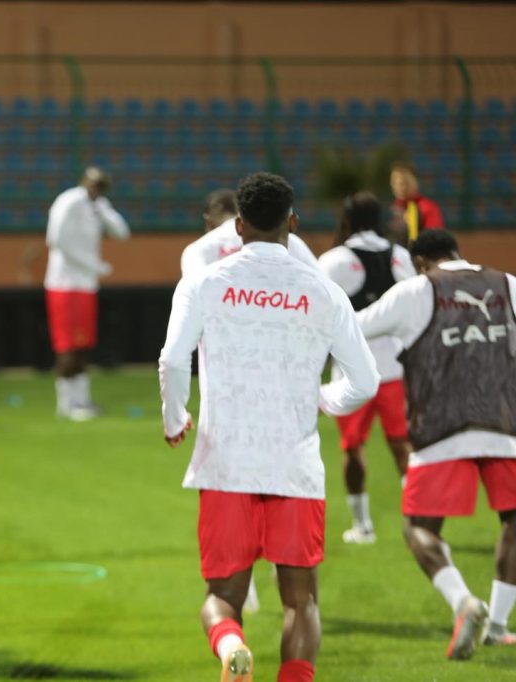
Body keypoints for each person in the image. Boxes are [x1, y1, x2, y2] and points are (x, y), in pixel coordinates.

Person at [159, 172, 379, 682]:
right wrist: (324, 398)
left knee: (221, 599)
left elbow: (173, 360)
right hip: (294, 465)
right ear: (293, 222)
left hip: (226, 463)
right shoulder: (322, 291)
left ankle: (232, 646)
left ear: (238, 225)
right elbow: (365, 381)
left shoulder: (205, 282)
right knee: (301, 604)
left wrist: (176, 419)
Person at [356, 230, 516, 658]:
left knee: (420, 529)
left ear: (420, 261)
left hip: (441, 429)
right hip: (507, 425)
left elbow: (352, 329)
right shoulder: (508, 284)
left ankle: (462, 600)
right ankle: (498, 624)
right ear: (458, 254)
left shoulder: (413, 290)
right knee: (514, 520)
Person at [317, 191, 416, 544]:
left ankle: (363, 526)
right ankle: (418, 522)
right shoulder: (401, 257)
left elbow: (319, 314)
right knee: (402, 445)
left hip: (350, 374)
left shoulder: (333, 260)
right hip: (396, 370)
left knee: (353, 448)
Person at [44, 166, 130, 421]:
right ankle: (66, 405)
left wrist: (104, 210)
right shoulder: (69, 201)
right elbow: (56, 240)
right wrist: (92, 265)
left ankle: (81, 400)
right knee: (68, 344)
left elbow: (122, 233)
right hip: (65, 284)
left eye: (101, 187)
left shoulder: (97, 206)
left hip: (86, 285)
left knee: (83, 344)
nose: (96, 190)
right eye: (94, 184)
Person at [180, 189, 319, 280]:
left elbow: (193, 293)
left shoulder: (198, 249)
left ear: (208, 221)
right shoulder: (288, 240)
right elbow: (322, 283)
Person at [390, 161, 445, 245]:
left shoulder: (427, 208)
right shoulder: (393, 208)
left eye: (405, 182)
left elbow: (435, 242)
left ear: (416, 182)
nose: (399, 186)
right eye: (394, 182)